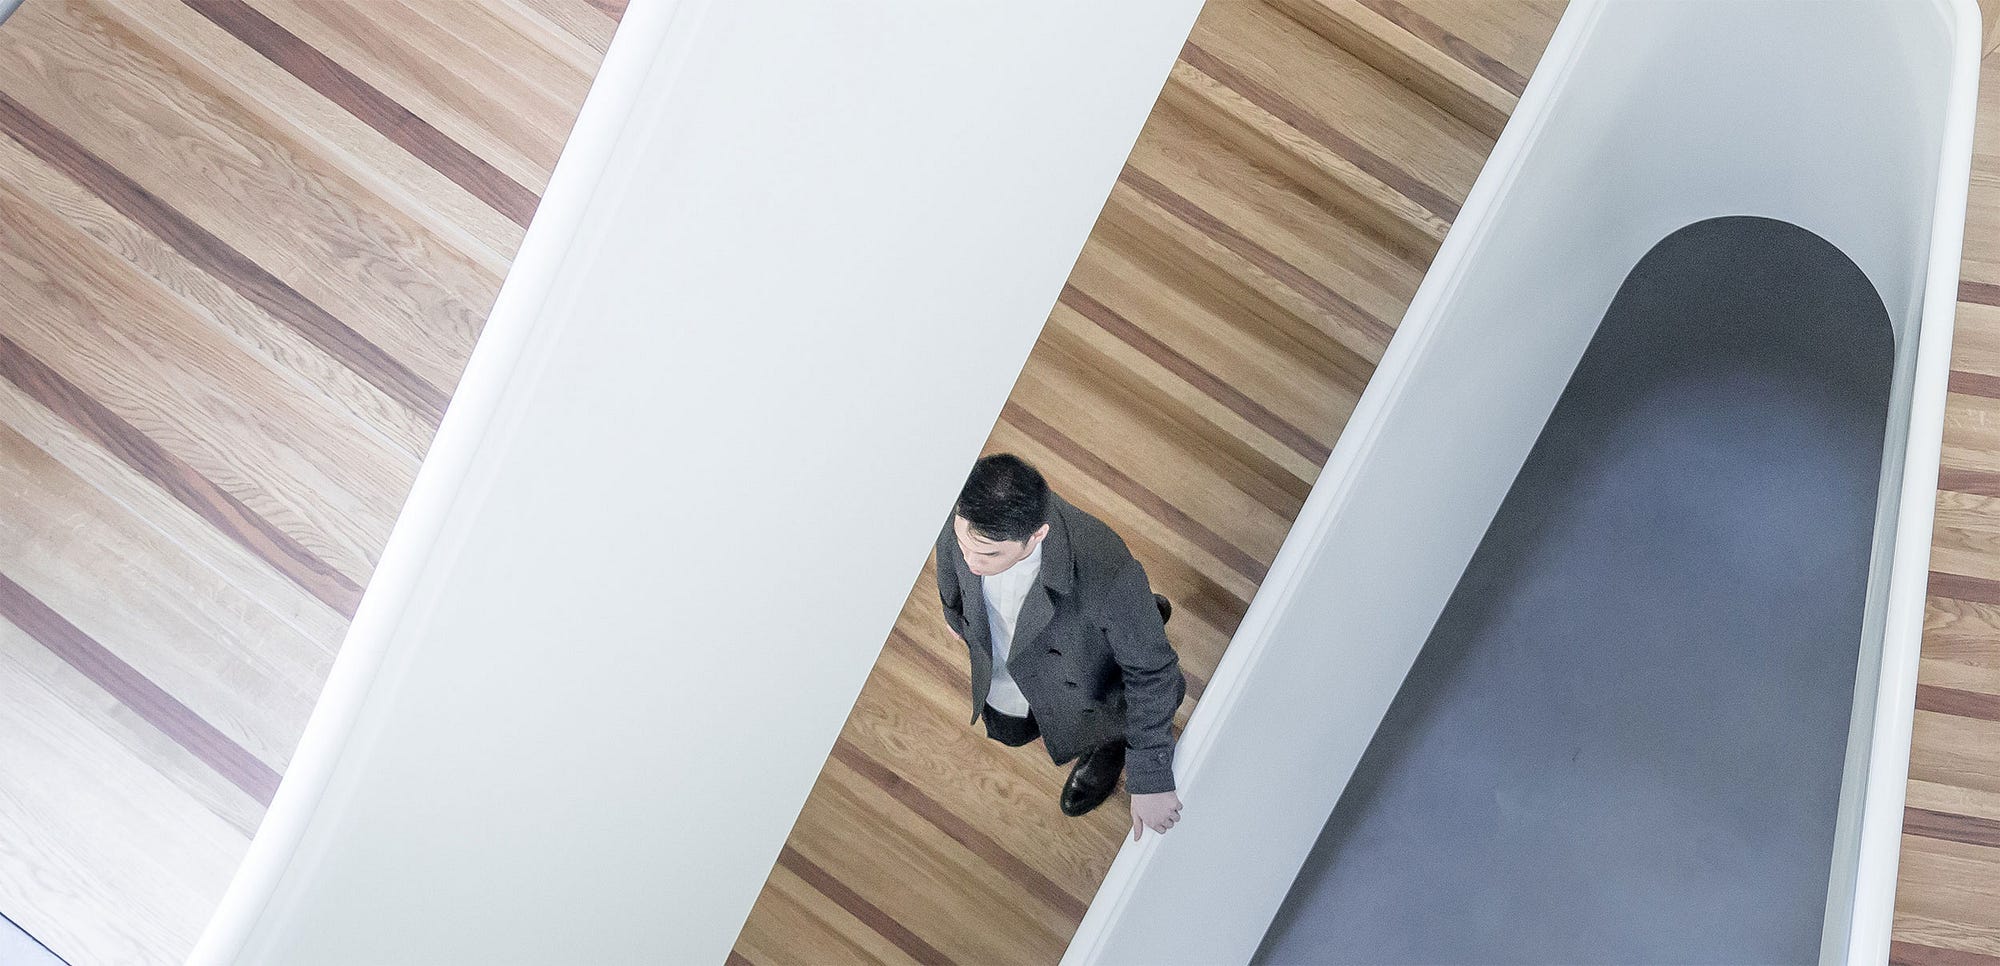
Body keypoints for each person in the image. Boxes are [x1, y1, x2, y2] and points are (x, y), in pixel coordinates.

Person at [934, 453, 1187, 839]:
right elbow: (950, 561)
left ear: (1036, 535)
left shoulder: (1105, 568)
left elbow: (1154, 673)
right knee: (1012, 730)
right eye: (963, 543)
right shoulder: (964, 514)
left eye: (988, 553)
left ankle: (1109, 743)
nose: (970, 562)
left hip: (1086, 674)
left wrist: (1151, 779)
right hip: (1008, 663)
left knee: (1108, 701)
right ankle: (1141, 619)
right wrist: (955, 613)